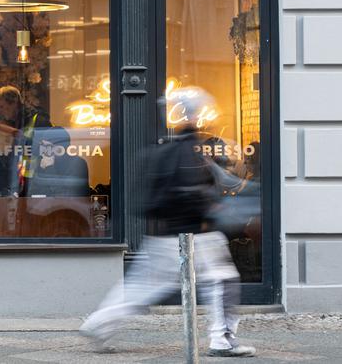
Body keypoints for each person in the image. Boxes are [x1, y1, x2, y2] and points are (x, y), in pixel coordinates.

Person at [79, 86, 256, 358]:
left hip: (164, 234)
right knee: (223, 281)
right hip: (195, 235)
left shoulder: (171, 149)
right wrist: (213, 209)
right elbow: (191, 193)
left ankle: (99, 323)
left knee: (141, 288)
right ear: (197, 115)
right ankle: (222, 339)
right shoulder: (189, 152)